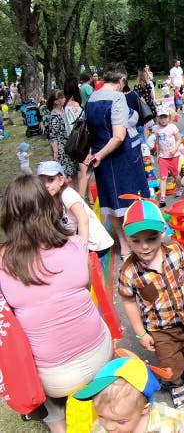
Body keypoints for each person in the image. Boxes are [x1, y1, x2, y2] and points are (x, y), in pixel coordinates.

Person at [0, 175, 113, 433]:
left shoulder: (3, 263)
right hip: (99, 355)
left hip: (55, 378)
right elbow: (85, 291)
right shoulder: (75, 245)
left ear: (8, 215)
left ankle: (57, 426)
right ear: (50, 207)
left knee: (49, 395)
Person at [118, 199, 184, 412]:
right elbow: (128, 301)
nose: (145, 246)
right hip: (160, 330)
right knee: (170, 365)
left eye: (151, 238)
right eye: (136, 241)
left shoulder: (174, 250)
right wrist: (140, 334)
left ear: (163, 231)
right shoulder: (129, 271)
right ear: (126, 239)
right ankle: (176, 386)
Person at [85, 62, 151, 259]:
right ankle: (137, 242)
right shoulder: (117, 98)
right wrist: (102, 155)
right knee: (132, 201)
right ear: (122, 80)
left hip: (101, 158)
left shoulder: (92, 98)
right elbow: (119, 136)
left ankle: (123, 245)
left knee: (111, 203)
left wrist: (97, 155)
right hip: (122, 158)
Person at [73, 357, 184, 433]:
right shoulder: (100, 428)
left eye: (121, 421)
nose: (108, 426)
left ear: (144, 409)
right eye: (101, 416)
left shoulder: (168, 419)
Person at [37, 160, 114, 255]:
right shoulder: (51, 197)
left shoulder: (67, 195)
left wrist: (82, 249)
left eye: (51, 180)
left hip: (94, 244)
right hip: (76, 240)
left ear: (61, 180)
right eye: (42, 182)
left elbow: (83, 220)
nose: (46, 185)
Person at [64, 76, 90, 195]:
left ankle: (89, 198)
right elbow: (82, 122)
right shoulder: (74, 105)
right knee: (85, 174)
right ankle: (81, 203)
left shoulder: (65, 105)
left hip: (72, 141)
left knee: (85, 172)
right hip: (81, 142)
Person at [46, 90, 78, 182]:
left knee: (73, 171)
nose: (64, 99)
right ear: (56, 101)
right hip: (61, 149)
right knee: (64, 175)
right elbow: (53, 136)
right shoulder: (54, 116)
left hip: (69, 146)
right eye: (62, 97)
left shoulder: (63, 112)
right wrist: (56, 152)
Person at [153, 107, 182, 206]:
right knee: (163, 177)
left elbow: (179, 139)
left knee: (175, 175)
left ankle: (179, 187)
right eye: (161, 117)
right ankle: (162, 197)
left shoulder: (172, 127)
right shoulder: (156, 129)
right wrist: (157, 153)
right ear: (158, 118)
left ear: (169, 118)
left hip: (173, 156)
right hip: (162, 157)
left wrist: (175, 148)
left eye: (165, 117)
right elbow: (157, 142)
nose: (163, 120)